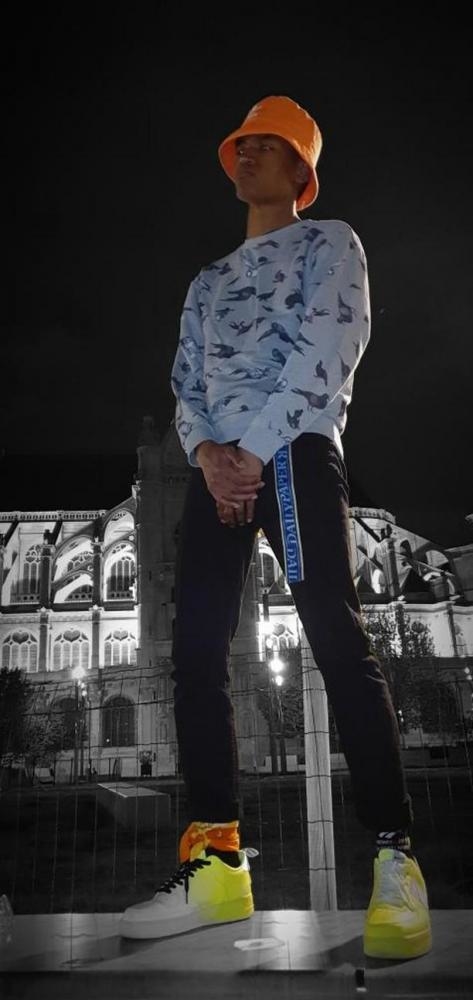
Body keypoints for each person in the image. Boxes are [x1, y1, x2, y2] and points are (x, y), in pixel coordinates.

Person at [121, 95, 432, 959]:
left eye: (267, 145)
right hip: (216, 471)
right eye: (241, 144)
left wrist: (248, 454)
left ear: (302, 169)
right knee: (194, 654)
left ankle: (395, 860)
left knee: (335, 634)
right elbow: (185, 383)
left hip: (291, 453)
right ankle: (216, 864)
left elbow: (331, 347)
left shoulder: (330, 242)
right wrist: (206, 453)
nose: (247, 154)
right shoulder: (207, 281)